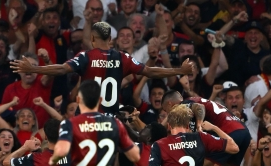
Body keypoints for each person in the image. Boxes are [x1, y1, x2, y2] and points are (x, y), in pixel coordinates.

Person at [10, 21, 194, 117]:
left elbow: (61, 69)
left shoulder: (86, 56)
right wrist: (180, 71)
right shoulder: (123, 57)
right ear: (111, 40)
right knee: (111, 164)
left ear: (92, 39)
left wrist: (35, 69)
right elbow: (151, 71)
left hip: (86, 117)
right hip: (111, 119)